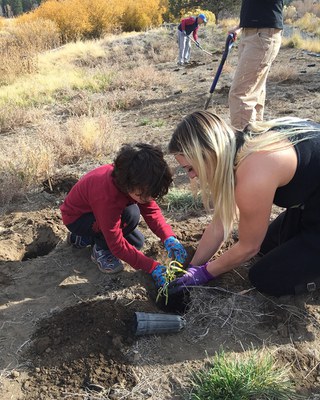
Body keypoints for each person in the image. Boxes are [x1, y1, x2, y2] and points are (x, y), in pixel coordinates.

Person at [168, 110, 320, 297]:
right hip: (311, 202)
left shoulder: (254, 172)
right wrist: (192, 267)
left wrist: (204, 273)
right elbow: (220, 224)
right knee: (266, 246)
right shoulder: (243, 145)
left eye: (190, 168)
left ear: (206, 154)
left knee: (266, 277)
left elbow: (249, 247)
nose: (191, 176)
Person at [60, 143, 187, 287]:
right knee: (130, 215)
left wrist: (168, 237)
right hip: (77, 218)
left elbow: (151, 211)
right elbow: (117, 244)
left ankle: (83, 238)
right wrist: (152, 267)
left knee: (137, 242)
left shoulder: (136, 180)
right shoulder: (107, 196)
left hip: (96, 213)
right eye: (144, 196)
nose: (149, 199)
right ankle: (100, 250)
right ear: (129, 185)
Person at [228, 0, 284, 131]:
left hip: (263, 34)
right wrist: (241, 25)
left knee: (240, 94)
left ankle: (243, 146)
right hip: (251, 33)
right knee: (254, 92)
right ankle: (255, 137)